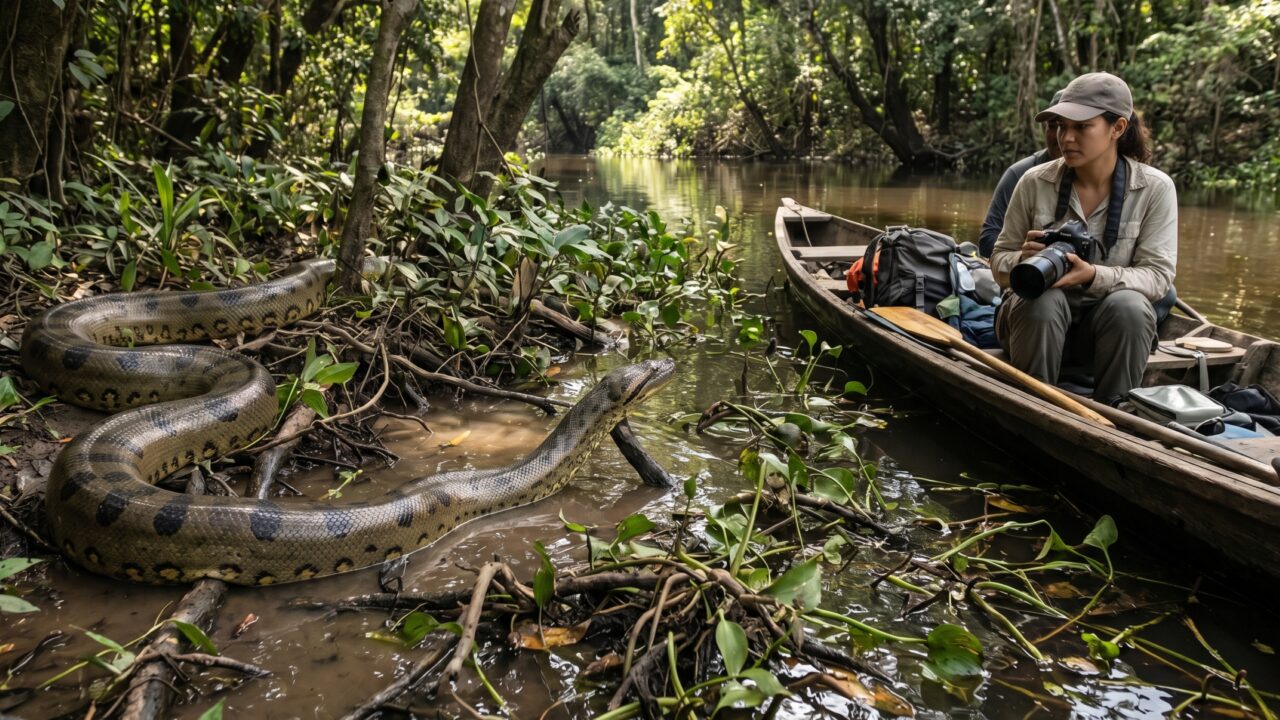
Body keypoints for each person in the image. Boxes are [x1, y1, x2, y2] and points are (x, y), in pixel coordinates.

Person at [990, 72, 1177, 405]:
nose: (1066, 138)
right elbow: (997, 259)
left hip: (1103, 332)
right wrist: (1023, 259)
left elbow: (1158, 278)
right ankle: (1033, 405)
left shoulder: (1155, 188)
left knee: (1131, 306)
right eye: (1061, 126)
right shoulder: (1034, 181)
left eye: (1081, 127)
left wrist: (1092, 275)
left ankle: (1114, 417)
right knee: (1043, 298)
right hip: (1034, 324)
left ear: (1117, 128)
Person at [978, 89, 1066, 258]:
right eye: (1053, 126)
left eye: (1076, 127)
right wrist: (1026, 252)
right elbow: (988, 240)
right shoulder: (1021, 174)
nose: (1060, 136)